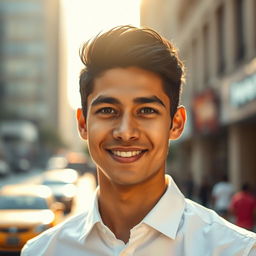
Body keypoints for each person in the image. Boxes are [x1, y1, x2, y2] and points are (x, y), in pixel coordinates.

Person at [21, 25, 255, 256]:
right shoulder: (42, 251)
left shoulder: (236, 249)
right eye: (107, 110)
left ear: (176, 124)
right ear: (83, 124)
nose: (125, 132)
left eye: (146, 111)